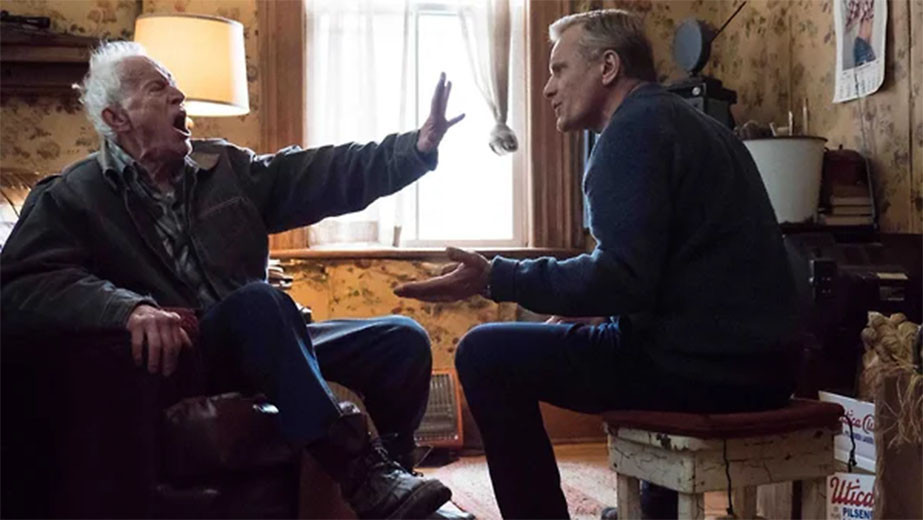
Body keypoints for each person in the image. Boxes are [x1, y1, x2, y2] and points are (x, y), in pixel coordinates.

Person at [0, 41, 464, 519]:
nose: (179, 96)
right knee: (259, 303)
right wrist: (126, 308)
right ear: (116, 118)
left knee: (401, 340)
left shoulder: (223, 168)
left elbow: (320, 174)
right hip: (184, 357)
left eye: (175, 86)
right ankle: (363, 477)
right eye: (158, 88)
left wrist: (414, 149)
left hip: (262, 341)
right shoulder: (72, 195)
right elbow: (22, 284)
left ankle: (396, 487)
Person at [395, 9, 802, 519]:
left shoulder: (630, 133)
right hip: (765, 368)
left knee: (484, 352)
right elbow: (674, 268)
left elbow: (623, 279)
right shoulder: (696, 125)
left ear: (608, 67)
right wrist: (594, 307)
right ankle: (653, 511)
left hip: (702, 372)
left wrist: (497, 276)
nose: (548, 87)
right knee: (606, 333)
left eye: (559, 69)